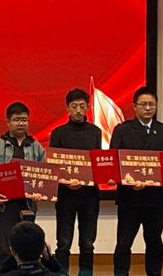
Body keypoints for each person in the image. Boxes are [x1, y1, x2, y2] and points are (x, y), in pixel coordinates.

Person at [110, 86, 163, 276]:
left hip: (155, 199)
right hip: (129, 197)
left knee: (154, 241)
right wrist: (127, 180)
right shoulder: (122, 130)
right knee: (124, 242)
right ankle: (120, 273)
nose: (148, 108)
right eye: (144, 104)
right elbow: (113, 162)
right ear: (134, 106)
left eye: (152, 104)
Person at [49, 88, 103, 276]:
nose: (78, 110)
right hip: (65, 194)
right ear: (67, 108)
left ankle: (85, 273)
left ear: (88, 107)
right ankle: (61, 273)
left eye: (82, 106)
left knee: (87, 242)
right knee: (63, 241)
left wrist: (86, 179)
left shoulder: (95, 132)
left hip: (90, 195)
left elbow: (97, 163)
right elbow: (53, 165)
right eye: (74, 106)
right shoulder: (58, 133)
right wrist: (65, 181)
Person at [0, 101, 46, 273]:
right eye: (16, 119)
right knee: (4, 247)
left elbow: (43, 175)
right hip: (4, 205)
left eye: (24, 120)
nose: (21, 123)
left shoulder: (36, 146)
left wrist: (40, 192)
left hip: (27, 204)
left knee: (27, 247)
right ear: (8, 122)